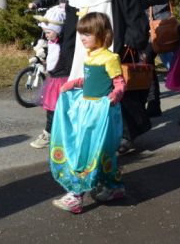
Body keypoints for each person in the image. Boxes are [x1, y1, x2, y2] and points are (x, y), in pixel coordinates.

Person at [65, 0, 149, 156]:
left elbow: (133, 9)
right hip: (84, 44)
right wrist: (66, 48)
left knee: (117, 89)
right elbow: (71, 18)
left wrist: (134, 38)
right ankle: (91, 131)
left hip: (113, 40)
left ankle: (126, 136)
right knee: (89, 87)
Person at [50, 12, 127, 214]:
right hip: (86, 109)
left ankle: (76, 196)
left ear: (102, 33)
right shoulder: (90, 56)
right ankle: (114, 187)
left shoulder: (110, 58)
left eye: (87, 34)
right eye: (81, 34)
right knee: (95, 150)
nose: (83, 38)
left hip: (100, 114)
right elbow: (90, 80)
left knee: (88, 152)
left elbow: (119, 82)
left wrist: (116, 94)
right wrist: (75, 83)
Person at [118, 0, 172, 118]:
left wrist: (134, 2)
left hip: (156, 19)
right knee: (145, 62)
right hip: (140, 21)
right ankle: (153, 103)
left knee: (157, 61)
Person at [29, 5, 67, 149]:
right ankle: (49, 132)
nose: (46, 35)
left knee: (60, 109)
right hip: (53, 80)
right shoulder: (51, 42)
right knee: (51, 109)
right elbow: (49, 55)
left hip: (63, 80)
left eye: (49, 32)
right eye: (44, 32)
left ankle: (53, 133)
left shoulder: (64, 44)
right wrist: (40, 58)